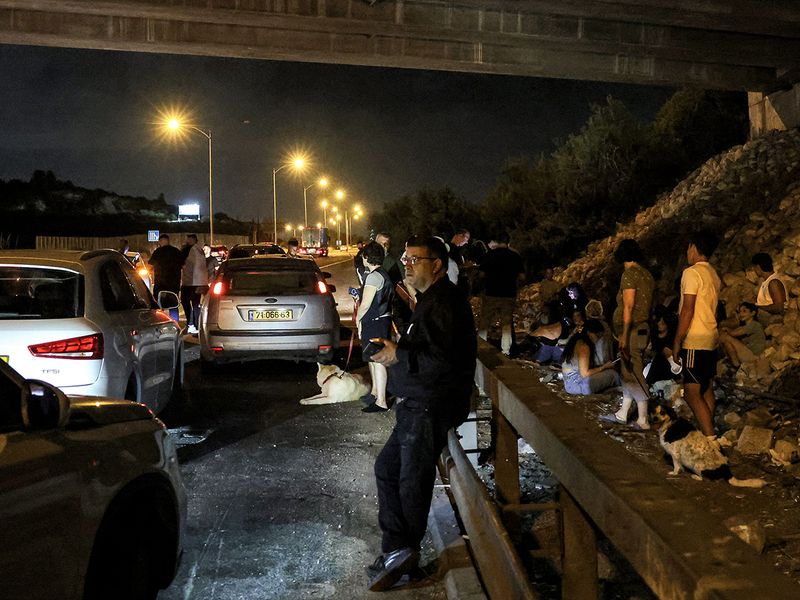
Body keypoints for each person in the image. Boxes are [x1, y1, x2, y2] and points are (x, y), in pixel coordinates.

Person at [368, 236, 476, 592]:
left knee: (411, 479)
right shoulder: (431, 300)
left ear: (438, 265)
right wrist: (397, 349)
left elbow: (442, 361)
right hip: (417, 402)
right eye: (405, 258)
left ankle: (404, 553)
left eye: (416, 260)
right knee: (388, 469)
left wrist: (399, 355)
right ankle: (398, 550)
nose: (408, 265)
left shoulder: (445, 303)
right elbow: (427, 348)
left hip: (430, 404)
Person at [672, 231, 721, 439]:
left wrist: (677, 339)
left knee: (692, 393)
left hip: (695, 338)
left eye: (688, 248)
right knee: (706, 387)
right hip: (711, 336)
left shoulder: (691, 273)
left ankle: (710, 440)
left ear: (694, 247)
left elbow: (687, 309)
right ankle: (708, 430)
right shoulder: (713, 274)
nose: (687, 252)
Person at [604, 239, 654, 430]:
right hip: (643, 329)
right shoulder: (647, 275)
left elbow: (628, 305)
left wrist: (624, 334)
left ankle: (643, 418)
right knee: (628, 369)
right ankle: (623, 412)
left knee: (633, 371)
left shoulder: (629, 274)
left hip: (633, 330)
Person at [356, 242, 394, 413]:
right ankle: (376, 393)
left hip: (375, 322)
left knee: (378, 360)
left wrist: (358, 320)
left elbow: (365, 305)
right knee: (373, 359)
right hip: (381, 320)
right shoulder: (383, 274)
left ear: (366, 257)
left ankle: (381, 401)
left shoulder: (373, 277)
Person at [477, 232, 525, 356]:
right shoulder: (515, 256)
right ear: (508, 243)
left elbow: (481, 274)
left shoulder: (489, 255)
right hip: (508, 294)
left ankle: (481, 346)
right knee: (506, 323)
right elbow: (522, 276)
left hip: (491, 293)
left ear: (497, 242)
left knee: (485, 321)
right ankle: (505, 350)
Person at [561, 319, 620, 395]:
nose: (598, 339)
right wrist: (604, 367)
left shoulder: (577, 340)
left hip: (570, 383)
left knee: (606, 372)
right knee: (613, 374)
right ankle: (624, 393)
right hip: (577, 385)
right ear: (589, 333)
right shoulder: (584, 346)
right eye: (597, 335)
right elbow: (585, 374)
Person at [719, 302, 766, 367]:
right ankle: (736, 365)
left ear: (753, 313)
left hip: (754, 356)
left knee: (726, 337)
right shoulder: (744, 326)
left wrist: (726, 329)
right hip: (748, 354)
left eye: (744, 311)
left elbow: (733, 333)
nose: (741, 314)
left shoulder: (754, 325)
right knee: (727, 343)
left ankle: (736, 365)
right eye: (740, 312)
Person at [148, 234, 183, 320]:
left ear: (160, 241)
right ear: (168, 241)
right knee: (173, 305)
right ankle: (175, 325)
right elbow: (183, 265)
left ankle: (160, 323)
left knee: (159, 306)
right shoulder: (176, 251)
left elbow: (150, 263)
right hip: (174, 284)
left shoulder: (157, 252)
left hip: (160, 284)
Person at [180, 234, 209, 335]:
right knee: (196, 304)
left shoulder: (189, 249)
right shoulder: (199, 250)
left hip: (190, 282)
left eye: (188, 239)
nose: (187, 241)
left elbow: (184, 263)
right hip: (200, 281)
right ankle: (197, 325)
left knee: (186, 302)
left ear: (192, 240)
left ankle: (191, 323)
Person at [751, 252, 787, 325]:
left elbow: (779, 307)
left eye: (754, 268)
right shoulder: (768, 281)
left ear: (758, 267)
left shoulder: (773, 282)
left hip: (773, 319)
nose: (754, 271)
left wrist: (760, 308)